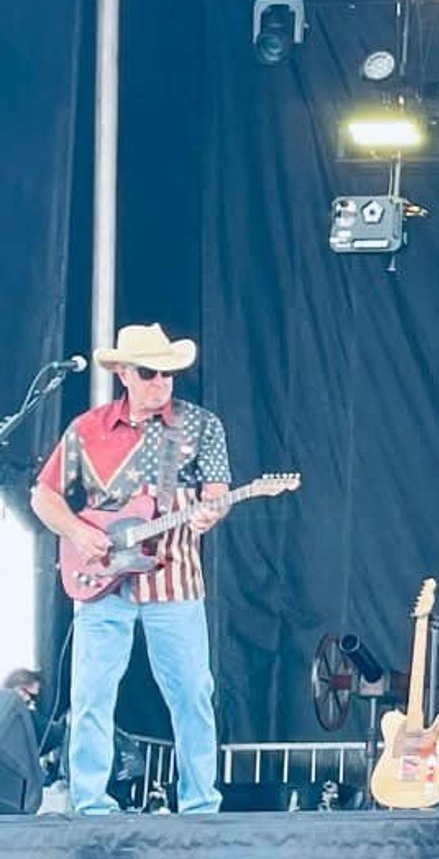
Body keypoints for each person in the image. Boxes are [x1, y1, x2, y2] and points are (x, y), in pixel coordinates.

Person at [28, 324, 230, 815]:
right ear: (123, 373)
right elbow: (43, 495)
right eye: (149, 372)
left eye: (169, 372)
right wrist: (79, 533)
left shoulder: (201, 426)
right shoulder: (87, 428)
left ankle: (201, 805)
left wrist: (211, 511)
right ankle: (90, 803)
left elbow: (217, 493)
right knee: (92, 695)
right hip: (101, 581)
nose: (161, 381)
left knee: (192, 693)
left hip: (174, 579)